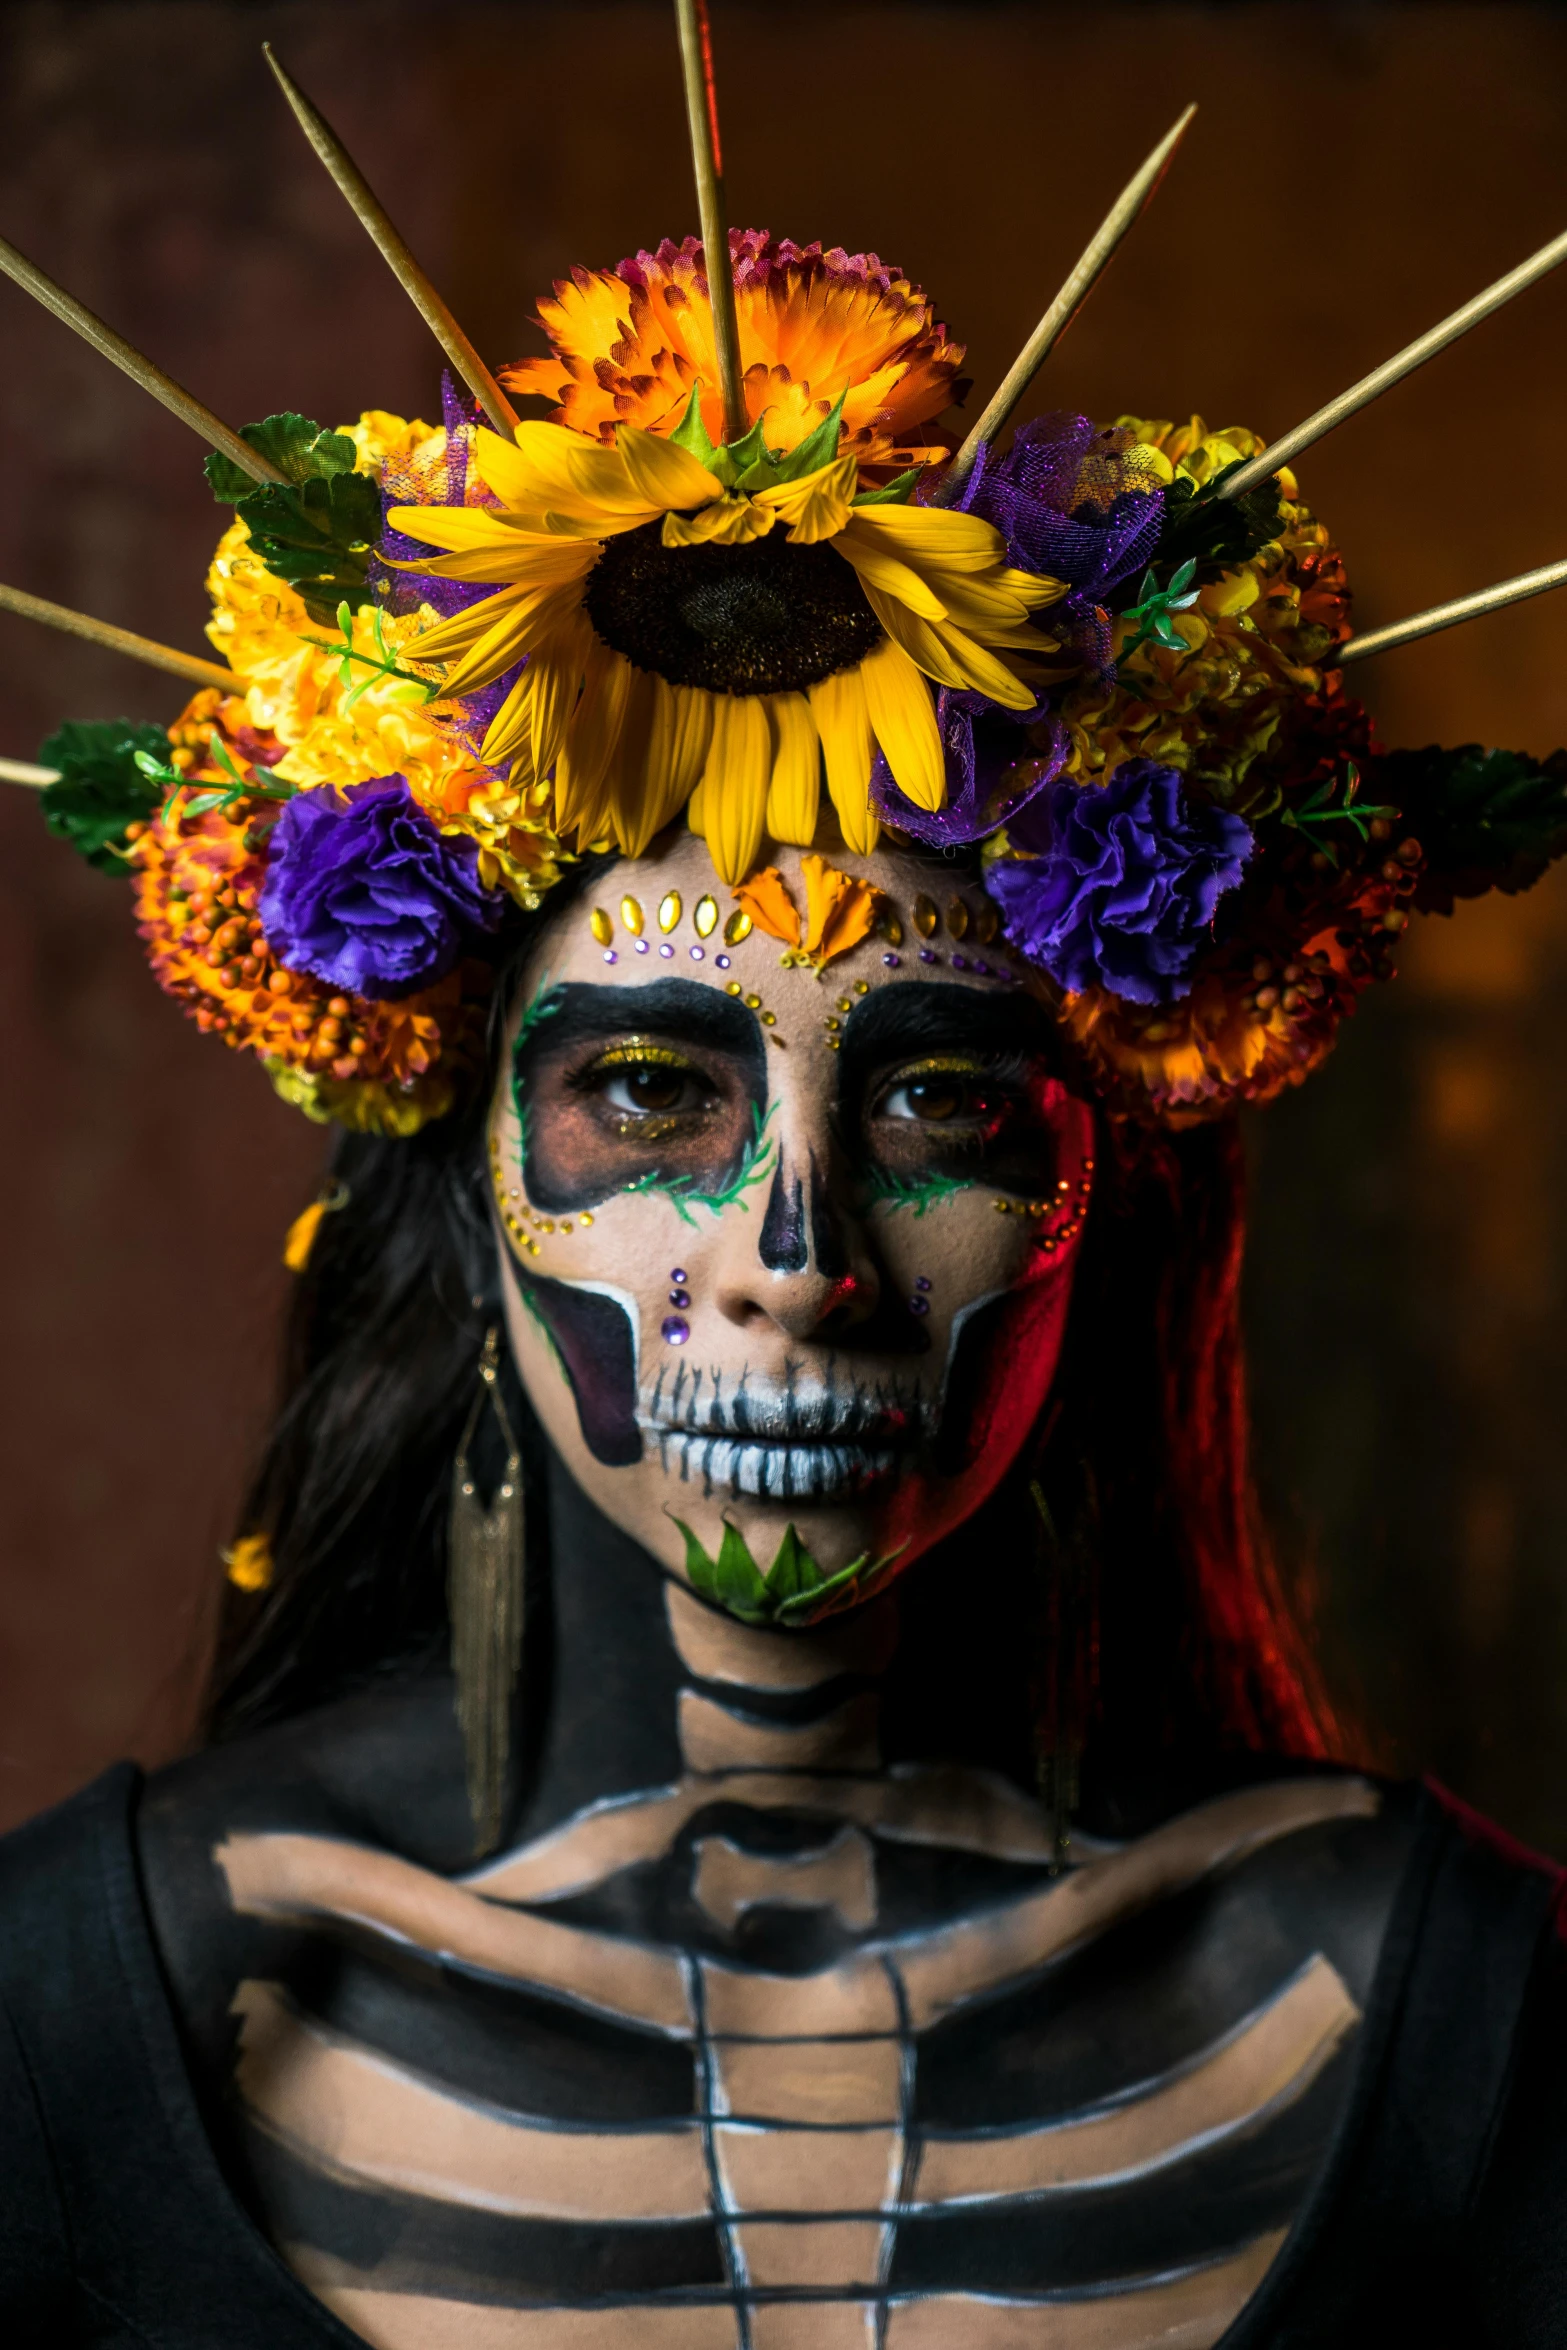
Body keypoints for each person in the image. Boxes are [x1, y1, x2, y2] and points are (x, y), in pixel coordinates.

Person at [3, 18, 1567, 2346]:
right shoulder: (87, 2012)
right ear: (467, 1190)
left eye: (942, 1106)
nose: (797, 1257)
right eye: (648, 1095)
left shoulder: (1451, 2015)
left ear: (1100, 1195)